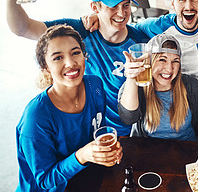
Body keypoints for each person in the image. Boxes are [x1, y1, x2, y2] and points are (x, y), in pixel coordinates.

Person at [1, 0, 148, 136]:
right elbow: (24, 28)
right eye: (113, 6)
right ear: (95, 7)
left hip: (127, 132)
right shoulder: (78, 31)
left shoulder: (139, 42)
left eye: (126, 5)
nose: (122, 13)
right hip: (85, 133)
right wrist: (10, 0)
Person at [16, 25, 123, 192]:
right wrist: (82, 156)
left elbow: (97, 131)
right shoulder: (36, 117)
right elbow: (44, 181)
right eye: (58, 58)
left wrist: (106, 152)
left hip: (87, 177)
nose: (71, 63)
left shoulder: (95, 85)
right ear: (45, 66)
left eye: (75, 53)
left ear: (84, 55)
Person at [118, 33, 198, 141]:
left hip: (187, 149)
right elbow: (128, 118)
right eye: (162, 60)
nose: (169, 69)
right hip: (149, 150)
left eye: (175, 61)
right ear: (149, 61)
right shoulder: (136, 86)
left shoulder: (192, 86)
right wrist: (131, 78)